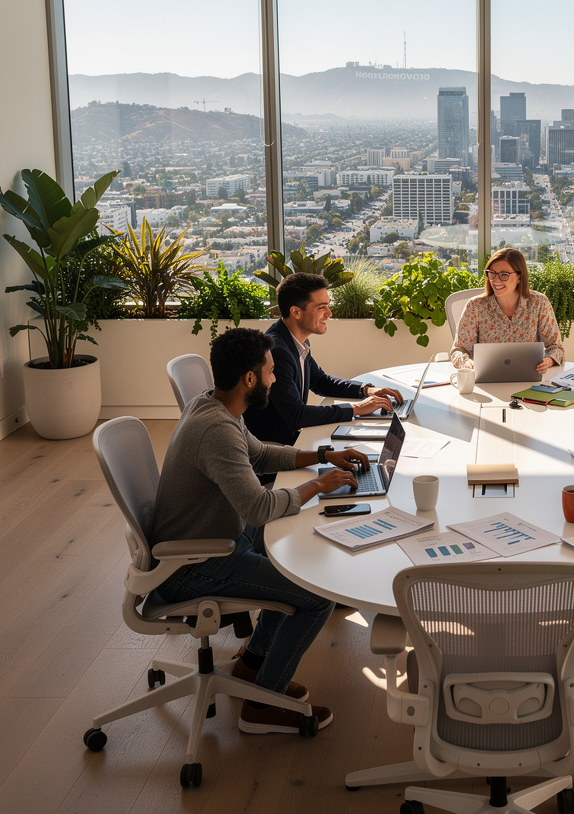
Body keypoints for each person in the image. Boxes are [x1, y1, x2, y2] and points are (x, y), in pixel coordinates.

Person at [152, 327, 372, 733]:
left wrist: (323, 455)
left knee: (291, 547)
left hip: (213, 535)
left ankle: (252, 666)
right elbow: (258, 505)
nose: (275, 379)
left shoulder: (214, 405)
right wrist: (318, 484)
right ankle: (263, 703)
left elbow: (260, 452)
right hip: (195, 564)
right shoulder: (217, 431)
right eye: (270, 372)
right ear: (249, 379)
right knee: (316, 595)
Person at [244, 271, 403, 446]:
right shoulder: (278, 351)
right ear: (296, 312)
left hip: (288, 440)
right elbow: (297, 416)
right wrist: (356, 408)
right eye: (321, 307)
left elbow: (321, 382)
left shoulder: (295, 341)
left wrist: (366, 390)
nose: (329, 313)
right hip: (272, 449)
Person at [450, 247, 565, 376]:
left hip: (528, 382)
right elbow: (459, 350)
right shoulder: (475, 306)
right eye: (492, 273)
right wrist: (467, 363)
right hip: (487, 383)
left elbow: (556, 348)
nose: (495, 280)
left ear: (519, 277)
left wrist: (547, 361)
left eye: (504, 275)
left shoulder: (539, 303)